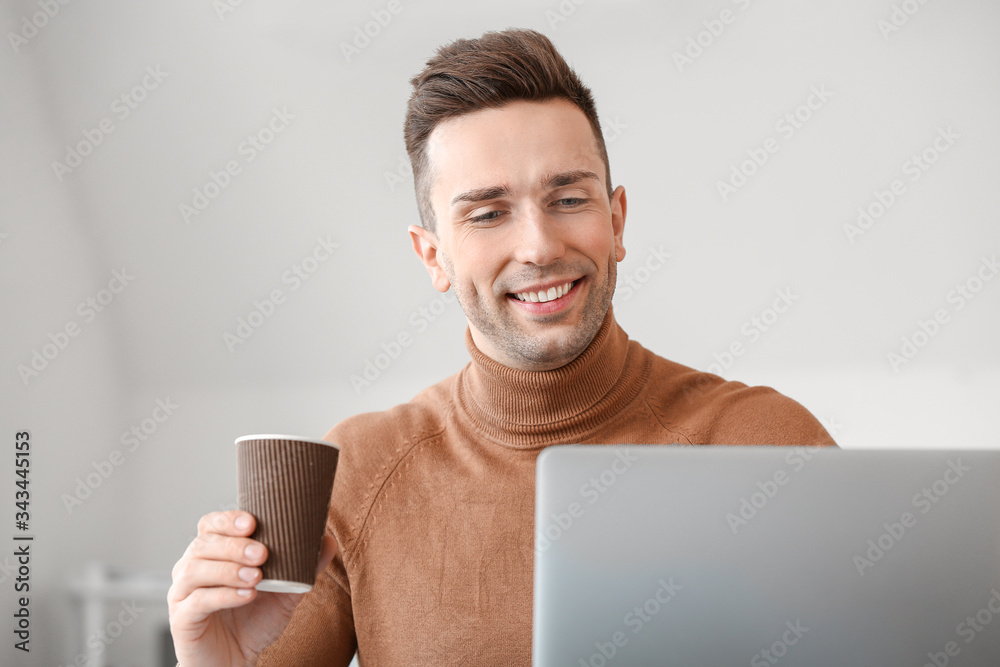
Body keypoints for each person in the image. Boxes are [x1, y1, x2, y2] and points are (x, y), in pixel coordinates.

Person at [167, 28, 836, 665]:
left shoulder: (768, 444)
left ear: (617, 219)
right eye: (487, 214)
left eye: (569, 198)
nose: (540, 246)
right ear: (433, 256)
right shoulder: (359, 471)